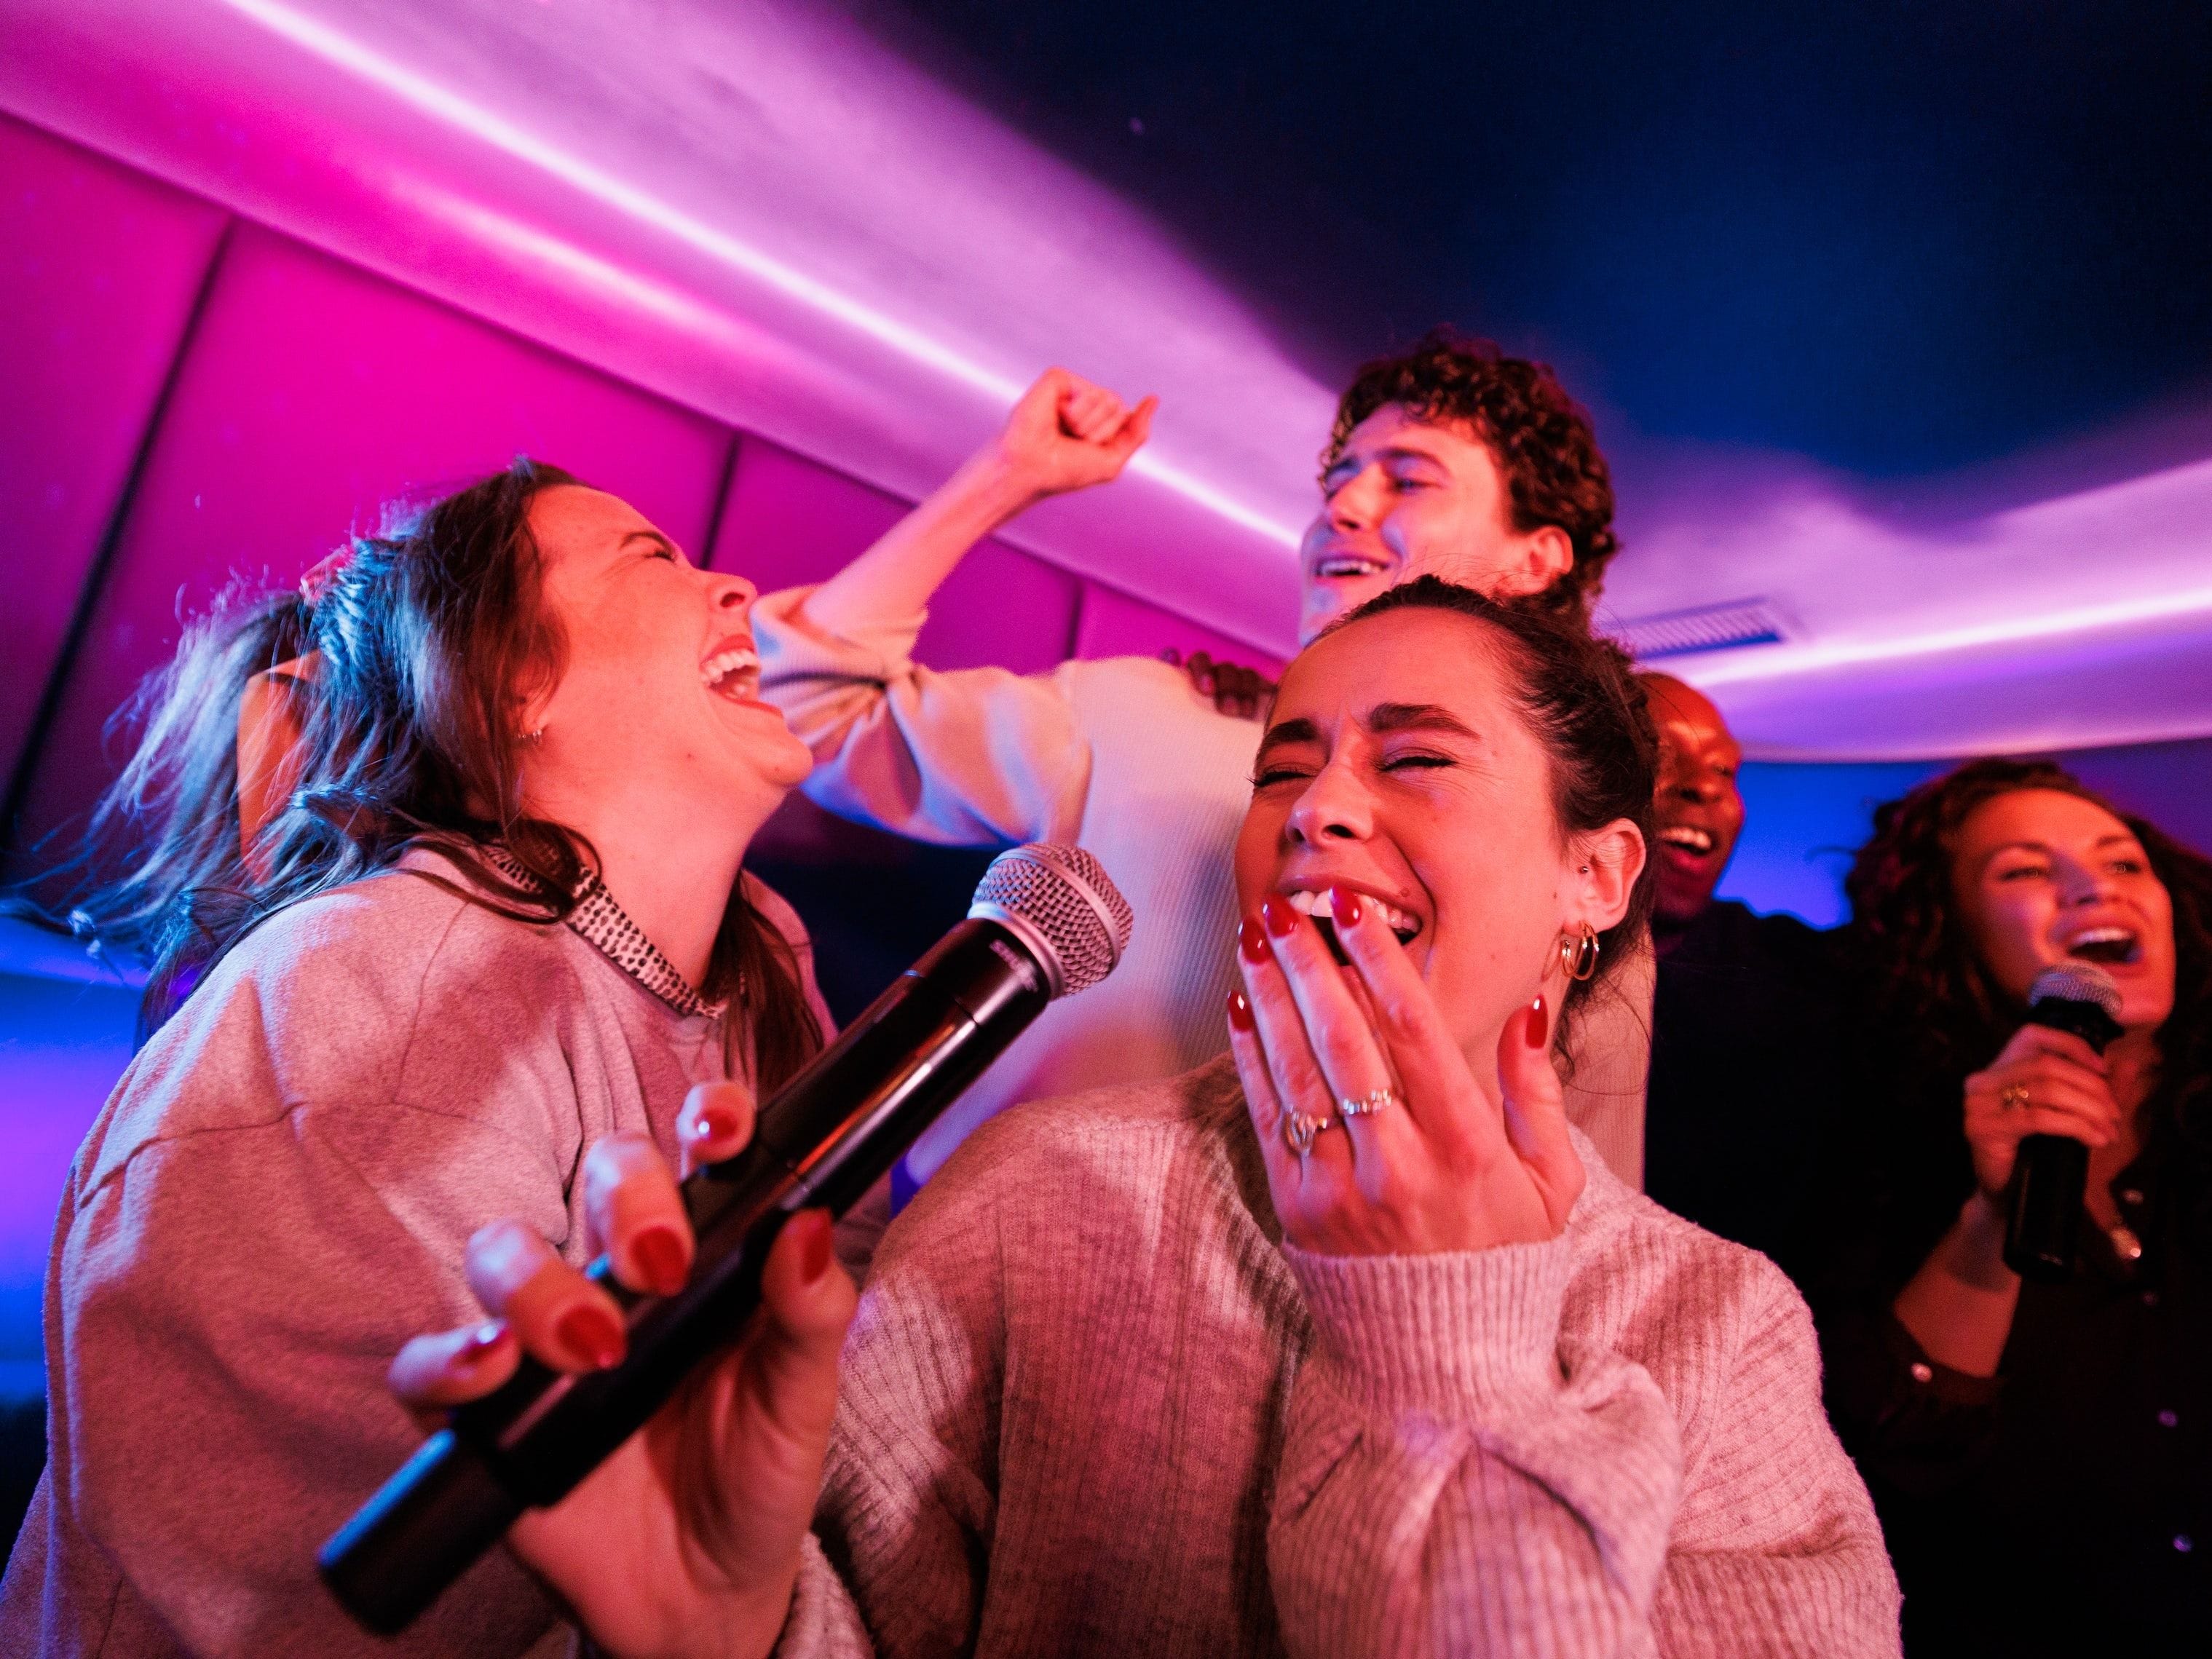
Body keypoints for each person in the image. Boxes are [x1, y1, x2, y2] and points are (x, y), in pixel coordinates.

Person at [398, 577, 1901, 1658]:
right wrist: (739, 1627)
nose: (1315, 809)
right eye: (1284, 768)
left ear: (1596, 875)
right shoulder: (1046, 1188)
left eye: (1416, 757)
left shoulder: (1714, 1324)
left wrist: (1442, 1329)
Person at [0, 461, 861, 1657]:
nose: (739, 589)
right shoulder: (370, 1002)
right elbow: (329, 1613)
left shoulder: (763, 969)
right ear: (514, 684)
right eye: (654, 556)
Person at [758, 330, 1652, 1187]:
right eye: (1337, 482)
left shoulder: (1572, 872)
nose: (1342, 509)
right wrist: (1007, 474)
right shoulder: (1148, 713)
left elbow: (1586, 1202)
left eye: (1408, 479)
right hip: (968, 1248)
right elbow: (812, 709)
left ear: (1536, 558)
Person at [1817, 759, 2211, 1651]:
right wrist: (1990, 1221)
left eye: (2120, 861)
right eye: (2025, 870)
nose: (2091, 888)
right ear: (1949, 931)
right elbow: (1889, 1467)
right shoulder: (1883, 1154)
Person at [1637, 673, 1849, 1279]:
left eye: (1724, 769)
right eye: (1661, 754)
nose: (1703, 785)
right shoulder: (1497, 970)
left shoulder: (1797, 977)